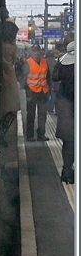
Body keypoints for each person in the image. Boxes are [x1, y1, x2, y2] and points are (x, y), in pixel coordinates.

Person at [53, 40, 75, 184]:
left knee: (69, 141)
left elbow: (55, 77)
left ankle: (67, 171)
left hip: (66, 108)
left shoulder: (62, 65)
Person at [24, 44, 49, 142]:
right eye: (34, 51)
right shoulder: (27, 63)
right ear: (31, 52)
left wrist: (49, 89)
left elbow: (48, 76)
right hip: (31, 92)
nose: (37, 53)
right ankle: (30, 135)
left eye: (38, 51)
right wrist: (27, 90)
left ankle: (41, 134)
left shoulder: (44, 62)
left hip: (43, 92)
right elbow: (22, 76)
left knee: (42, 114)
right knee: (31, 114)